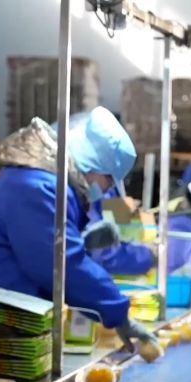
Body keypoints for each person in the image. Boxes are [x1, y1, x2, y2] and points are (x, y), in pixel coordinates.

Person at [0, 107, 157, 351]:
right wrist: (117, 311)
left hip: (1, 317)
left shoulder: (42, 182)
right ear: (91, 164)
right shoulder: (38, 188)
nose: (107, 190)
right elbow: (61, 266)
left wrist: (81, 242)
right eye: (109, 179)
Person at [68, 111, 154, 277]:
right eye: (110, 179)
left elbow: (125, 229)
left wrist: (136, 219)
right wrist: (148, 256)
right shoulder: (66, 193)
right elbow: (103, 255)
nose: (110, 186)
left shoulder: (97, 186)